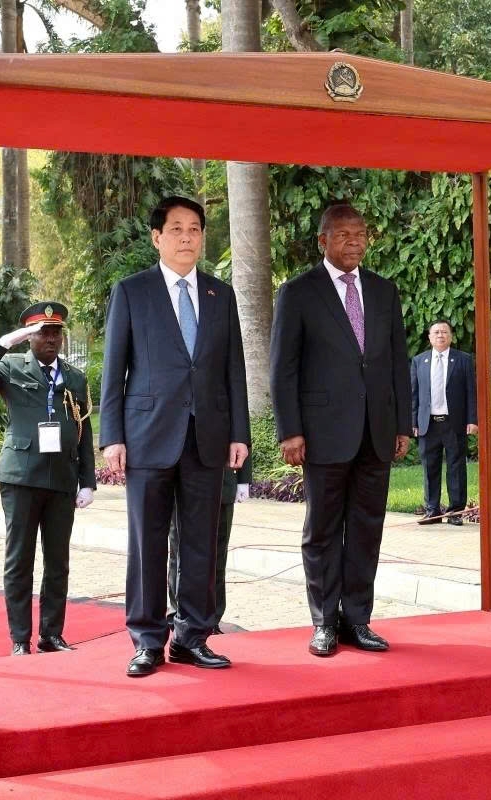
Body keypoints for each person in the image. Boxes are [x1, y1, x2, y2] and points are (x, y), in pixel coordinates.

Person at [100, 196, 250, 678]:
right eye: (177, 228)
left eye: (195, 229)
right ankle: (147, 639)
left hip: (207, 436)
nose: (187, 237)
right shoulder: (132, 291)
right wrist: (112, 436)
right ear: (157, 237)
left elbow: (234, 370)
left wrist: (239, 434)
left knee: (201, 542)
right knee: (147, 541)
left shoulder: (219, 295)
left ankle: (193, 638)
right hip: (147, 436)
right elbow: (113, 369)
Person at [269, 202, 411, 657]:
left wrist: (402, 422)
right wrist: (290, 430)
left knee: (367, 527)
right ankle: (324, 621)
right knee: (324, 529)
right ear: (323, 241)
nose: (354, 242)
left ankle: (358, 619)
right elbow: (283, 369)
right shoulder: (298, 293)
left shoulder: (384, 291)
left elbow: (396, 362)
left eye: (361, 234)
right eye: (344, 234)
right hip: (323, 431)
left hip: (377, 431)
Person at [0, 301, 96, 656]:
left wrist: (87, 481)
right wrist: (3, 344)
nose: (50, 339)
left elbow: (82, 430)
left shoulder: (74, 377)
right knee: (19, 560)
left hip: (61, 479)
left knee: (58, 562)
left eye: (56, 332)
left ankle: (51, 635)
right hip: (21, 478)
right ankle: (20, 639)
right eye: (42, 332)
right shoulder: (10, 366)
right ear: (29, 337)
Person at [167, 455, 252, 634]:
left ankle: (212, 618)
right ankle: (178, 613)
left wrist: (243, 477)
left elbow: (240, 430)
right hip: (180, 479)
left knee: (217, 554)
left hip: (222, 479)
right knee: (178, 550)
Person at [410, 321, 477, 526]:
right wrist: (413, 422)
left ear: (451, 336)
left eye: (444, 332)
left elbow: (471, 393)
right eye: (436, 332)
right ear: (429, 337)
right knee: (430, 467)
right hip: (427, 424)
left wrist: (472, 420)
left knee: (456, 468)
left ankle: (456, 511)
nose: (440, 335)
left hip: (453, 423)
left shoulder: (463, 360)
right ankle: (432, 511)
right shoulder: (419, 361)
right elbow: (413, 395)